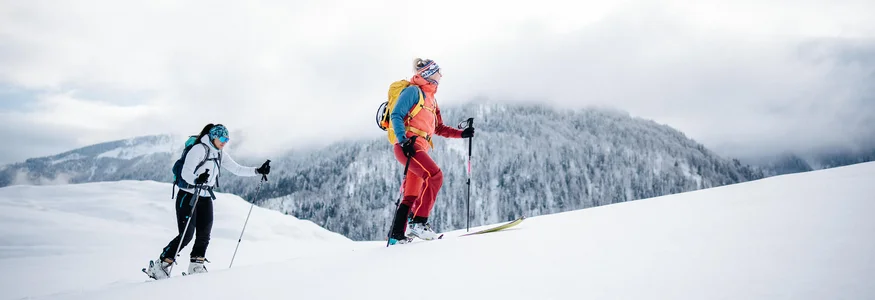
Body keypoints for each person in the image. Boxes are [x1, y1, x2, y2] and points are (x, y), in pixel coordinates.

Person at [145, 123, 271, 279]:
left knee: (204, 233)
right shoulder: (198, 149)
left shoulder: (219, 153)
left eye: (227, 139)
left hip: (204, 196)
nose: (225, 142)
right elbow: (185, 173)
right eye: (222, 138)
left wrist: (257, 171)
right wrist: (197, 179)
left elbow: (236, 169)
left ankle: (196, 265)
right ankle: (160, 265)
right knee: (187, 234)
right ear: (214, 136)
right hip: (188, 195)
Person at [388, 58, 475, 245]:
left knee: (411, 194)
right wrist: (403, 141)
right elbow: (396, 114)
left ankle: (396, 236)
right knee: (435, 176)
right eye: (437, 72)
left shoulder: (432, 101)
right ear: (428, 73)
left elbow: (439, 128)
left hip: (418, 147)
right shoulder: (413, 91)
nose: (441, 75)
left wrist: (462, 134)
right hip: (408, 146)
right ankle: (418, 222)